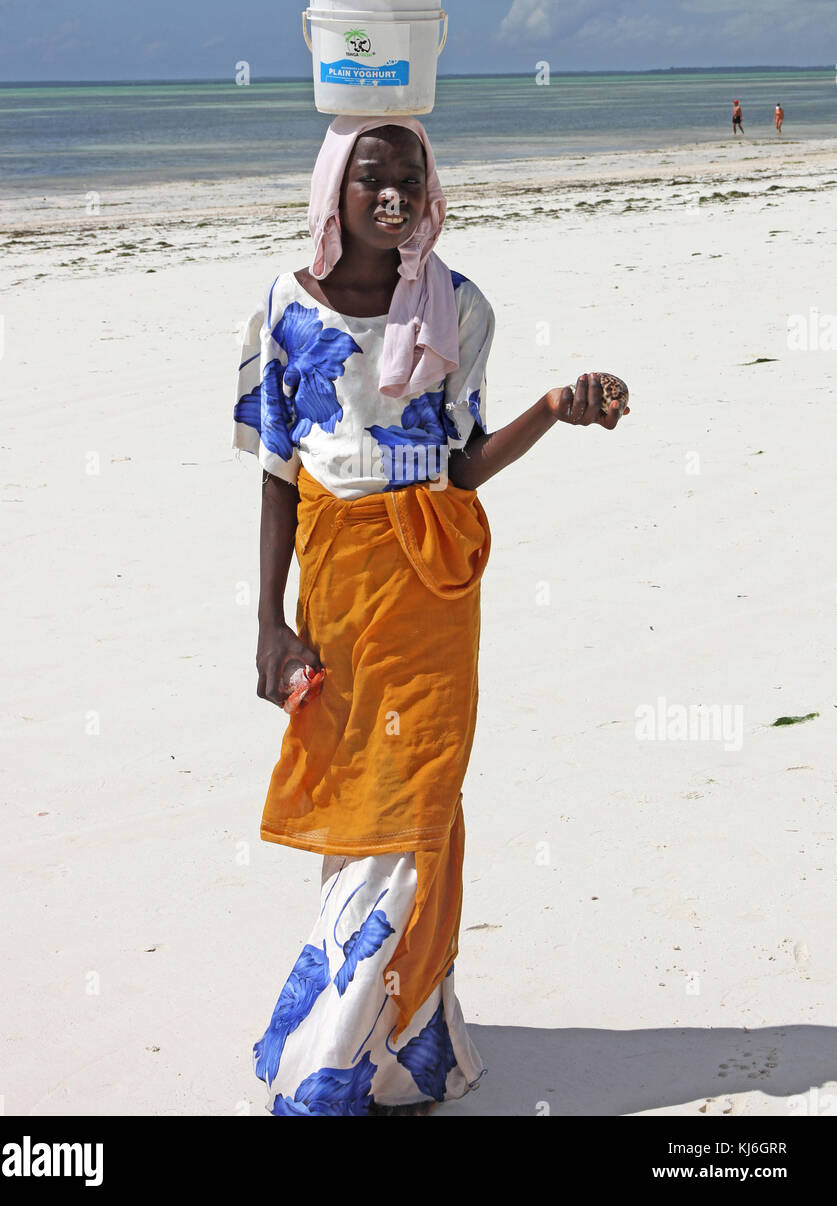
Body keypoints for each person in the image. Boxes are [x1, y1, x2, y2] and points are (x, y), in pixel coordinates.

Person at [231, 114, 629, 1117]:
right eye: (373, 175)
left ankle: (376, 1053)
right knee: (361, 816)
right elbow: (279, 474)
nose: (393, 194)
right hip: (338, 590)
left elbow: (458, 466)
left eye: (409, 175)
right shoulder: (285, 308)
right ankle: (363, 1041)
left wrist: (552, 409)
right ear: (336, 185)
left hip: (433, 596)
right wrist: (270, 623)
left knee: (417, 817)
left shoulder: (460, 306)